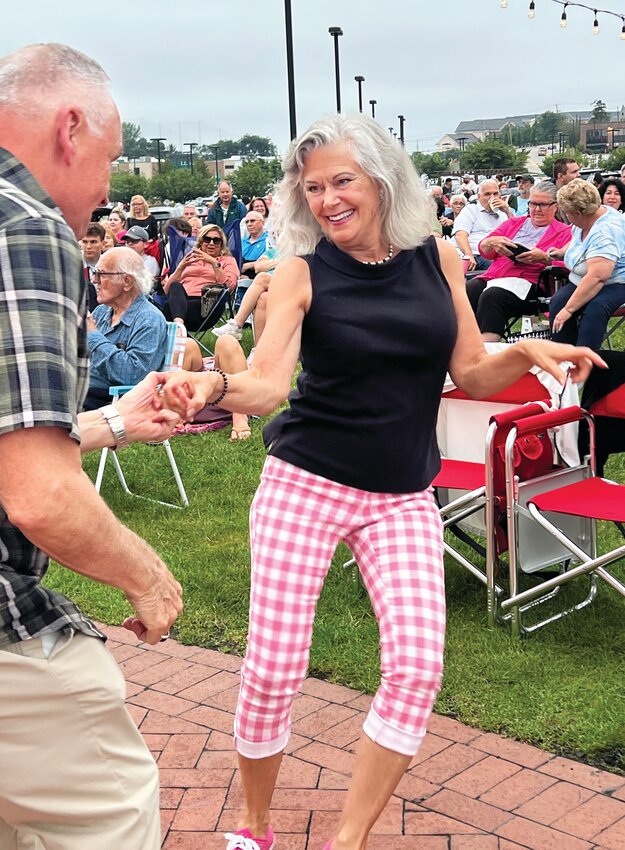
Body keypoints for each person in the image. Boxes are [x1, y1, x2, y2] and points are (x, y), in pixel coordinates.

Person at [156, 113, 604, 850]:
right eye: (314, 188)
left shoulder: (439, 260)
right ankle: (253, 827)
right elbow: (267, 385)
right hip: (306, 482)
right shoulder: (300, 272)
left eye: (342, 181)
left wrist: (522, 348)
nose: (328, 199)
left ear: (381, 180)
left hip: (399, 493)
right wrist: (208, 389)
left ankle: (349, 839)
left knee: (417, 669)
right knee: (273, 669)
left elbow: (469, 372)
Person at [0, 42, 183, 850]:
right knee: (108, 816)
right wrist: (146, 575)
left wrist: (108, 425)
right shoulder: (25, 223)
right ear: (70, 129)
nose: (109, 193)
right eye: (110, 159)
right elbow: (37, 494)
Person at [466, 181, 571, 341]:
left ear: (555, 206)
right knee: (469, 289)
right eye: (533, 204)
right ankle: (462, 343)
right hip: (494, 277)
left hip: (531, 283)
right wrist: (491, 242)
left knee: (492, 297)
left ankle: (487, 348)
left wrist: (545, 259)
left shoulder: (565, 232)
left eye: (543, 205)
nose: (536, 209)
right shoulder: (513, 223)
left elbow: (570, 263)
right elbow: (484, 249)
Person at [84, 247, 168, 410]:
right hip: (82, 390)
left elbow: (131, 374)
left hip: (111, 402)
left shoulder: (148, 319)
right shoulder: (102, 312)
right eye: (95, 273)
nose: (95, 280)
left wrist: (93, 336)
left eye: (101, 274)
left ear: (127, 282)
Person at [550, 178, 625, 348]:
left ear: (579, 213)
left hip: (616, 282)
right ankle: (562, 357)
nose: (566, 217)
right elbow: (580, 240)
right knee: (557, 302)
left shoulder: (606, 233)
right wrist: (563, 252)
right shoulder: (589, 216)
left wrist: (568, 310)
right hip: (582, 278)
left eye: (567, 213)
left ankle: (586, 364)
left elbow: (598, 277)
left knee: (595, 309)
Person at [162, 223, 239, 329]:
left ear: (221, 244)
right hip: (182, 302)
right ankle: (179, 326)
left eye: (216, 241)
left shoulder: (228, 261)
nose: (211, 243)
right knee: (175, 286)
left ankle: (178, 329)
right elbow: (166, 291)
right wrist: (180, 268)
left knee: (168, 307)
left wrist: (213, 263)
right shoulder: (190, 259)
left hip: (206, 306)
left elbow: (229, 287)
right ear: (201, 242)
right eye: (207, 239)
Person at [451, 178, 513, 271]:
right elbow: (460, 235)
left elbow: (516, 232)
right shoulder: (471, 210)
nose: (492, 197)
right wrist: (469, 255)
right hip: (475, 254)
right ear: (479, 196)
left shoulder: (503, 213)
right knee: (498, 267)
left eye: (495, 194)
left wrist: (507, 210)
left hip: (497, 256)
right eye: (487, 194)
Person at [81, 221, 105, 311]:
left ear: (103, 243)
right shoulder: (73, 262)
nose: (88, 246)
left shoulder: (110, 264)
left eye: (93, 242)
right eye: (84, 242)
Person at [239, 211, 269, 279]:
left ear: (262, 222)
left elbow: (271, 260)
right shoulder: (241, 242)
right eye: (247, 222)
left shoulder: (268, 241)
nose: (249, 224)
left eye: (252, 221)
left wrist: (249, 265)